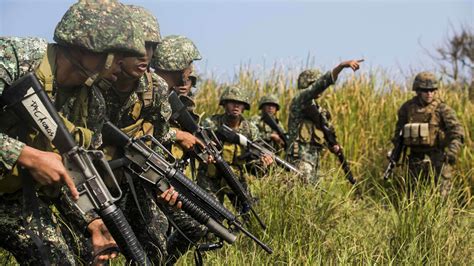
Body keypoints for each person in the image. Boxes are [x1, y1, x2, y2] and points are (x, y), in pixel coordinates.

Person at [0, 1, 148, 264]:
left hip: (15, 198)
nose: (122, 64)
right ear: (88, 47)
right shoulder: (14, 57)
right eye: (117, 54)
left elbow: (78, 172)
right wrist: (25, 155)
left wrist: (92, 220)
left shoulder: (93, 102)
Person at [197, 86, 273, 213]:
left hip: (235, 178)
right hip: (211, 178)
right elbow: (197, 143)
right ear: (225, 104)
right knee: (209, 215)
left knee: (251, 215)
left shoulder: (250, 129)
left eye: (240, 103)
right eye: (232, 102)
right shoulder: (211, 123)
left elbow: (258, 154)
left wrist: (265, 161)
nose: (236, 106)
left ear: (244, 107)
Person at [287, 60, 362, 184]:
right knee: (301, 192)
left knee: (315, 196)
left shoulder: (319, 111)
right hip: (300, 158)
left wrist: (333, 145)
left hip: (314, 160)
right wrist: (341, 66)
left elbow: (325, 132)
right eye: (314, 84)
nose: (320, 90)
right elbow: (320, 85)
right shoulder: (299, 100)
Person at [392, 71, 464, 196]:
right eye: (425, 91)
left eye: (432, 90)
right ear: (418, 91)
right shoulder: (407, 108)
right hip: (415, 158)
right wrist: (396, 152)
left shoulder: (442, 109)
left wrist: (452, 152)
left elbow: (457, 132)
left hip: (437, 157)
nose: (429, 94)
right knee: (413, 197)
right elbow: (399, 133)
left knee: (442, 197)